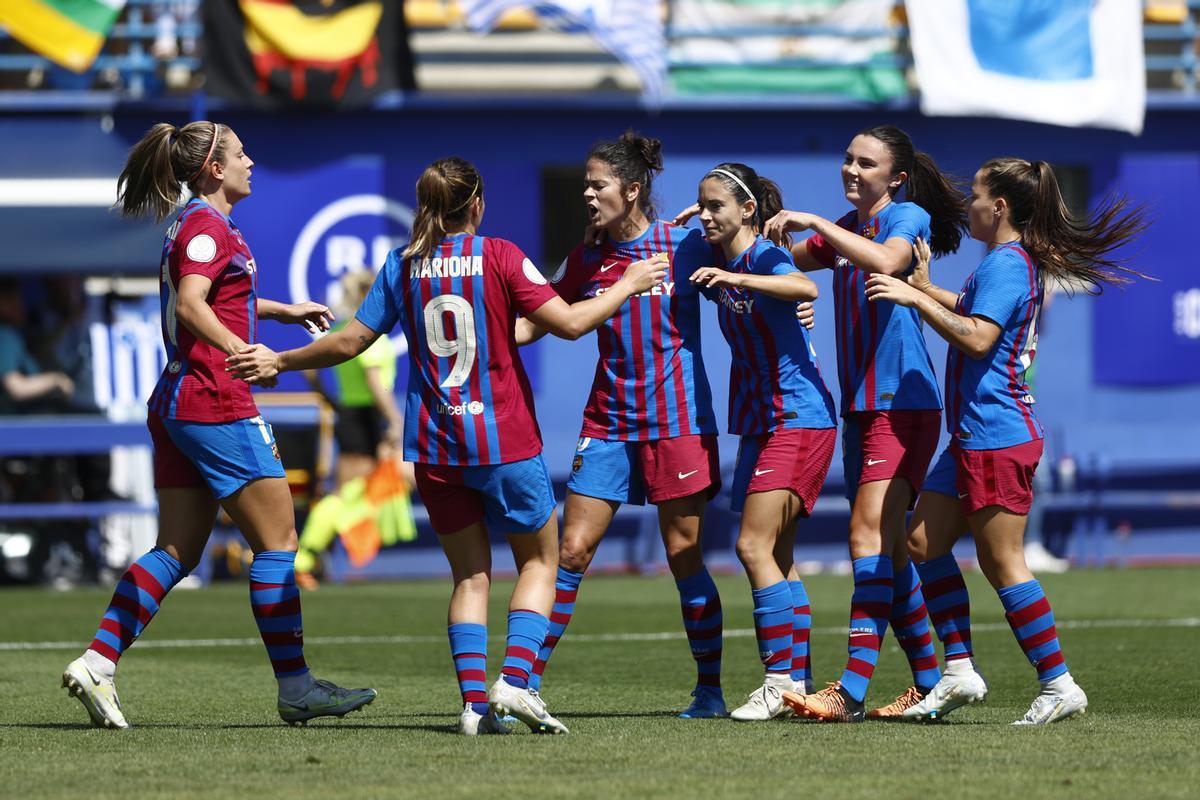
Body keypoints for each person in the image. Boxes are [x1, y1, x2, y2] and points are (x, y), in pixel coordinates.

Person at [227, 156, 668, 736]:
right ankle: (513, 681)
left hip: (436, 447)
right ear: (477, 204)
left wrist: (280, 359)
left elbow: (351, 341)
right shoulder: (501, 255)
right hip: (504, 439)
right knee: (540, 560)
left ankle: (473, 708)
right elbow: (570, 323)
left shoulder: (403, 264)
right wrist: (629, 283)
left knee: (469, 578)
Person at [61, 120, 378, 730]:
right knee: (280, 544)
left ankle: (98, 662)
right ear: (213, 168)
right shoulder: (206, 225)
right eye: (241, 154)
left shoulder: (197, 225)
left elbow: (213, 294)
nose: (251, 161)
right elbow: (191, 304)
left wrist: (281, 310)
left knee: (176, 550)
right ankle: (297, 687)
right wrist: (245, 353)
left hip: (179, 400)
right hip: (215, 399)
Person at [864, 157, 1147, 724]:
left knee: (1003, 562)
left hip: (997, 433)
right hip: (974, 433)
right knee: (921, 541)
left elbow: (977, 339)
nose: (968, 205)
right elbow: (973, 317)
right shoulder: (1005, 263)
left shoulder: (1007, 265)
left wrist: (915, 299)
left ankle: (1058, 683)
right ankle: (960, 671)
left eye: (976, 196)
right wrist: (925, 287)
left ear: (999, 208)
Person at [517, 132, 729, 719]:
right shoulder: (587, 257)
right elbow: (544, 319)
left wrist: (797, 301)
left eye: (598, 184)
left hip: (678, 420)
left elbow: (757, 262)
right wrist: (487, 339)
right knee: (573, 551)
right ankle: (523, 684)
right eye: (586, 184)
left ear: (631, 190)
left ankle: (709, 690)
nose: (587, 194)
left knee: (683, 553)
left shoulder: (685, 245)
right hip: (608, 420)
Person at [763, 125, 968, 722]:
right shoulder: (848, 230)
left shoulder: (906, 217)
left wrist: (816, 224)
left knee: (865, 539)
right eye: (848, 159)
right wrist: (725, 229)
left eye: (866, 163)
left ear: (896, 177)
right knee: (889, 550)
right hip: (861, 405)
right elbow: (784, 264)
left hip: (901, 403)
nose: (851, 170)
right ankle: (930, 682)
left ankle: (849, 690)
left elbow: (887, 260)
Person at [685, 163, 837, 721]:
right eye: (699, 205)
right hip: (759, 421)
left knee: (752, 548)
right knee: (776, 555)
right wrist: (695, 226)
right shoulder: (720, 257)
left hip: (797, 415)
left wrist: (738, 280)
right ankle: (799, 681)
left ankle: (776, 682)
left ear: (748, 210)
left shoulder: (762, 257)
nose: (705, 215)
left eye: (715, 206)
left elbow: (804, 285)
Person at [297, 269, 416, 589]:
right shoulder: (367, 334)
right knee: (347, 495)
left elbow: (310, 371)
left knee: (358, 492)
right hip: (365, 419)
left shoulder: (339, 329)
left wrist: (331, 401)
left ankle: (311, 556)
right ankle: (303, 559)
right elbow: (375, 383)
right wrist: (394, 420)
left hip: (352, 416)